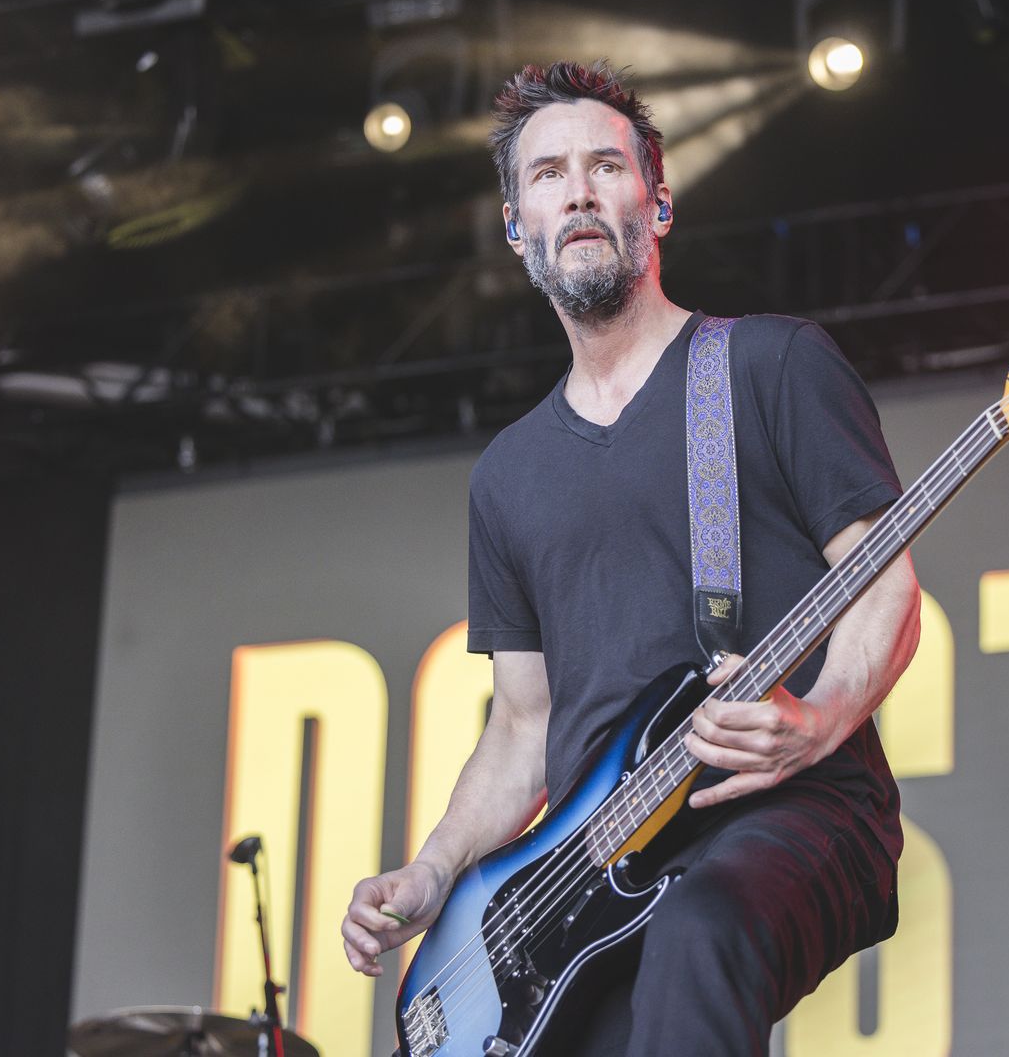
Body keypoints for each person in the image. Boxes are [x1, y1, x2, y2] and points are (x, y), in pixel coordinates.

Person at [340, 60, 922, 1056]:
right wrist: (434, 870)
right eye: (548, 174)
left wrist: (820, 721)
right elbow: (523, 725)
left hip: (788, 801)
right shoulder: (509, 474)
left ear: (657, 203)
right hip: (595, 873)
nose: (578, 191)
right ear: (517, 227)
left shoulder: (769, 364)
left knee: (700, 929)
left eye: (605, 166)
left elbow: (886, 588)